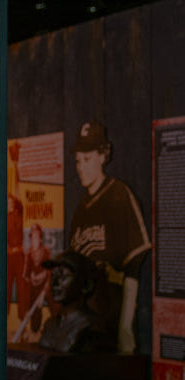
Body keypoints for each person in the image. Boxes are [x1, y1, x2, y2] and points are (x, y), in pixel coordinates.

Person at [67, 119, 150, 353]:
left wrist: (125, 325)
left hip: (111, 313)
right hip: (85, 319)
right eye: (77, 161)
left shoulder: (119, 194)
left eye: (87, 159)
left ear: (103, 156)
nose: (81, 167)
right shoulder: (80, 209)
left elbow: (134, 264)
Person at [37, 250, 114, 354]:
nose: (54, 283)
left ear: (87, 285)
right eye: (53, 275)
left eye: (63, 276)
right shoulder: (50, 325)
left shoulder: (91, 328)